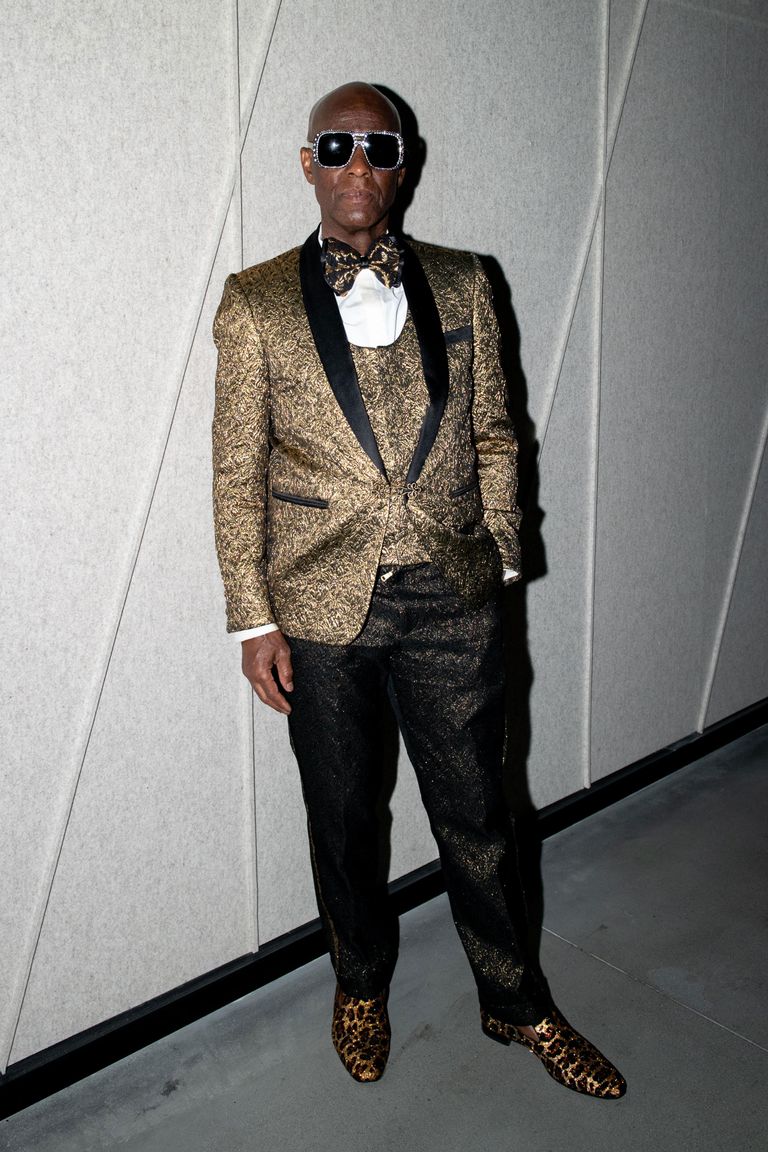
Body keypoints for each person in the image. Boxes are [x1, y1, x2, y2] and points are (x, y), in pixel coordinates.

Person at [212, 81, 625, 1098]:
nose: (358, 165)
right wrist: (254, 617)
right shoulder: (256, 301)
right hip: (321, 607)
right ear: (307, 164)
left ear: (404, 164)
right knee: (345, 815)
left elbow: (494, 431)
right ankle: (359, 986)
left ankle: (515, 1001)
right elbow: (236, 471)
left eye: (379, 147)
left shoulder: (464, 280)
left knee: (479, 810)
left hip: (454, 597)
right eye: (336, 147)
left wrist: (502, 559)